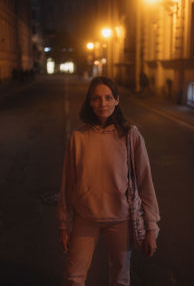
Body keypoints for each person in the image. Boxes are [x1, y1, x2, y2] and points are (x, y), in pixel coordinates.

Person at [57, 76, 160, 286]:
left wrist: (151, 228)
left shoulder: (131, 136)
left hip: (120, 218)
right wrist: (63, 225)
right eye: (96, 99)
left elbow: (145, 183)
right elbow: (68, 184)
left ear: (117, 100)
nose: (102, 103)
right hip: (85, 217)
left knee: (120, 278)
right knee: (73, 277)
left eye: (107, 97)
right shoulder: (78, 137)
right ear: (89, 102)